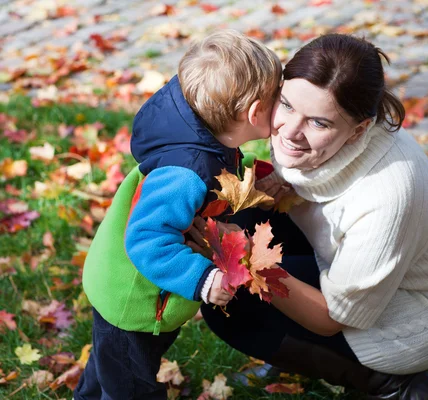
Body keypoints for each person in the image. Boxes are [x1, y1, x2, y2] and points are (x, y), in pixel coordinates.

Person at [196, 33, 428, 400]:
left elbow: (332, 318)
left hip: (424, 313)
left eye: (318, 123)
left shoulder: (388, 194)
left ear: (360, 129)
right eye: (285, 104)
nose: (289, 131)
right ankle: (300, 350)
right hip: (358, 266)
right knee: (251, 214)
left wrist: (245, 254)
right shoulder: (323, 121)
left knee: (236, 298)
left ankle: (392, 385)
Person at [74, 30, 282, 400]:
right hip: (134, 300)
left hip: (132, 291)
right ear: (254, 112)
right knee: (131, 385)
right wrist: (202, 279)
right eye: (279, 100)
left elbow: (225, 168)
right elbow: (148, 240)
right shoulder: (184, 175)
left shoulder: (201, 136)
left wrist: (260, 176)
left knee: (110, 369)